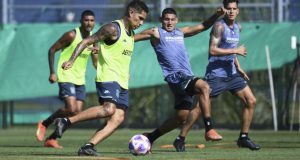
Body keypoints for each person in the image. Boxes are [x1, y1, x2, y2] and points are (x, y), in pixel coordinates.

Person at [52, 0, 149, 156]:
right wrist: (71, 60)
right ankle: (66, 121)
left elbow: (117, 54)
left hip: (122, 80)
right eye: (140, 18)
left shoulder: (130, 33)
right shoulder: (112, 28)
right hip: (108, 76)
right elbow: (86, 41)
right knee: (109, 109)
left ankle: (88, 146)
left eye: (144, 20)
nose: (141, 22)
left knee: (118, 117)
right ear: (131, 12)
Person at [134, 7, 225, 152]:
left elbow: (202, 26)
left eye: (172, 19)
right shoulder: (156, 32)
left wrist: (216, 15)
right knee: (205, 87)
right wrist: (105, 46)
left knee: (181, 118)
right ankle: (209, 129)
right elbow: (131, 39)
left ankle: (150, 137)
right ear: (161, 20)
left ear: (177, 21)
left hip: (185, 77)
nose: (169, 22)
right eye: (166, 19)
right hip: (176, 77)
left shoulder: (180, 32)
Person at [35, 10, 97, 148]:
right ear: (81, 21)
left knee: (76, 112)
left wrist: (98, 57)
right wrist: (52, 72)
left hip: (80, 79)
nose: (89, 23)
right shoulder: (71, 35)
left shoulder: (94, 39)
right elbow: (52, 50)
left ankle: (52, 139)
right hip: (66, 75)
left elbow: (95, 62)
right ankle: (45, 123)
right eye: (86, 20)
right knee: (71, 108)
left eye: (92, 20)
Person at [203, 0, 260, 150]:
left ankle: (243, 138)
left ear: (238, 11)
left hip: (232, 74)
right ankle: (181, 137)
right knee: (198, 108)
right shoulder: (219, 26)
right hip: (216, 74)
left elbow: (230, 48)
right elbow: (213, 50)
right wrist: (236, 51)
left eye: (234, 8)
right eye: (228, 8)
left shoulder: (237, 27)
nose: (231, 11)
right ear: (224, 9)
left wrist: (238, 67)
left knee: (251, 101)